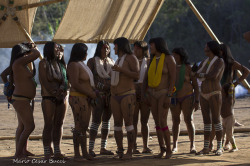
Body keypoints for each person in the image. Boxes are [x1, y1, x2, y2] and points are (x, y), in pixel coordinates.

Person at [209, 43, 250, 151]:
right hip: (217, 91)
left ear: (224, 51)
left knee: (228, 114)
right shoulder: (217, 62)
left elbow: (246, 71)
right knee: (216, 116)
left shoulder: (231, 63)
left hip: (228, 92)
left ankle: (227, 143)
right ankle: (212, 143)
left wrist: (236, 82)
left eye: (220, 51)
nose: (218, 53)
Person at [2, 43, 40, 158]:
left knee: (22, 126)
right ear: (23, 52)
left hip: (23, 98)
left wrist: (9, 84)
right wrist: (33, 48)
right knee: (29, 127)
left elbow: (3, 74)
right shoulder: (18, 63)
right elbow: (37, 54)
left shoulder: (19, 63)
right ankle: (18, 153)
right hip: (20, 99)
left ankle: (23, 151)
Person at [142, 37, 176, 159]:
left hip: (163, 93)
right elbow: (145, 79)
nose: (150, 47)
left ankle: (169, 150)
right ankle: (162, 149)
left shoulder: (169, 58)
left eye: (152, 45)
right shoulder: (151, 60)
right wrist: (144, 94)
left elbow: (173, 78)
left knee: (162, 122)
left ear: (158, 46)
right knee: (157, 123)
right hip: (152, 93)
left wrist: (169, 95)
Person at [110, 37, 139, 159]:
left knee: (128, 123)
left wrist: (121, 70)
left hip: (127, 94)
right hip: (115, 96)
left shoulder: (131, 58)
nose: (113, 48)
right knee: (117, 124)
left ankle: (130, 152)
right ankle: (120, 150)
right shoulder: (118, 60)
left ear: (120, 46)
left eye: (115, 46)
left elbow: (137, 75)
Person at [194, 41, 225, 156]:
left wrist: (201, 75)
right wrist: (201, 74)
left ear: (211, 49)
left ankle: (219, 147)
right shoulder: (204, 62)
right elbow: (196, 73)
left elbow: (213, 75)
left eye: (206, 47)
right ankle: (206, 147)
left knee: (216, 120)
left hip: (214, 92)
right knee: (206, 121)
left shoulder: (219, 61)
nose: (204, 49)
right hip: (203, 93)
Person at [67, 43, 97, 161]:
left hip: (85, 98)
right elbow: (75, 83)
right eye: (85, 52)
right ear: (80, 53)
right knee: (79, 126)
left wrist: (92, 92)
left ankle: (84, 152)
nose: (86, 54)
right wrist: (90, 93)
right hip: (77, 98)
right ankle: (77, 154)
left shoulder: (82, 64)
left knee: (84, 126)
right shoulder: (74, 65)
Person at [39, 42, 68, 160]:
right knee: (49, 124)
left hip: (61, 97)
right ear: (50, 49)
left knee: (59, 124)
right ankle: (47, 152)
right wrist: (54, 93)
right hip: (48, 97)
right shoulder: (43, 63)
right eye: (56, 48)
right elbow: (44, 81)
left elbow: (66, 79)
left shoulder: (61, 64)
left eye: (59, 49)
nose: (58, 50)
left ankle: (57, 151)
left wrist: (61, 91)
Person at [87, 41, 114, 157]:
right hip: (98, 95)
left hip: (110, 95)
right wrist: (101, 87)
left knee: (106, 121)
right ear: (99, 49)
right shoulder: (92, 61)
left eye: (108, 48)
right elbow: (89, 77)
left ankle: (103, 147)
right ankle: (91, 148)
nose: (106, 50)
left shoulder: (111, 62)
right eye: (104, 48)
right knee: (96, 120)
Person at [170, 48, 199, 154]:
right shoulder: (171, 68)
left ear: (181, 56)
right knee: (175, 121)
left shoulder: (187, 68)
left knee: (188, 120)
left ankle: (192, 145)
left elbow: (195, 85)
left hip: (187, 96)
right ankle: (174, 145)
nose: (173, 57)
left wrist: (197, 100)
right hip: (174, 97)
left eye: (175, 55)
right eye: (172, 55)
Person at [132, 41, 152, 154]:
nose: (136, 51)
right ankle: (134, 146)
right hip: (133, 94)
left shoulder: (148, 61)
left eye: (138, 49)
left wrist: (146, 92)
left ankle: (145, 146)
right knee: (133, 120)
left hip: (145, 93)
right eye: (134, 49)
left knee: (144, 121)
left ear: (144, 50)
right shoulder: (130, 61)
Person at [221, 83, 238, 152]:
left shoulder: (230, 98)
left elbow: (231, 90)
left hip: (230, 118)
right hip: (224, 119)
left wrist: (232, 85)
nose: (221, 92)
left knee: (229, 133)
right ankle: (221, 147)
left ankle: (234, 147)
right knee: (222, 134)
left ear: (225, 92)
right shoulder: (222, 99)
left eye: (222, 91)